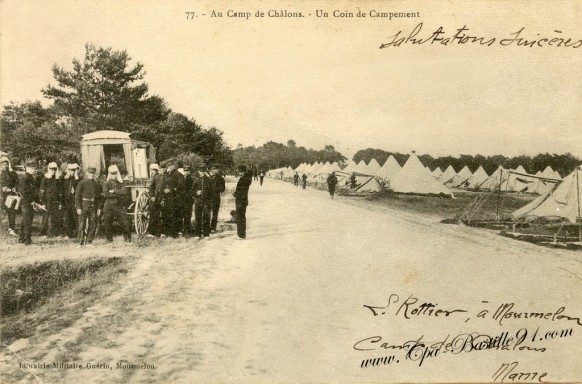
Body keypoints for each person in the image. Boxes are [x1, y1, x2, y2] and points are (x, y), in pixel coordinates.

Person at [102, 165, 132, 243]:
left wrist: (114, 191)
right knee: (108, 222)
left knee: (124, 221)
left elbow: (124, 192)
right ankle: (109, 240)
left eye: (115, 173)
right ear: (109, 174)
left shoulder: (120, 183)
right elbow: (106, 194)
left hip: (118, 204)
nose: (114, 175)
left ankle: (127, 239)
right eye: (112, 173)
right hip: (108, 205)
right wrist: (118, 194)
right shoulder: (106, 183)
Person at [75, 166, 102, 246]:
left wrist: (99, 208)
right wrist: (78, 207)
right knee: (82, 223)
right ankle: (80, 241)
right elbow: (77, 196)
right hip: (84, 205)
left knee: (93, 223)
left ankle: (89, 241)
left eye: (93, 173)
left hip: (93, 205)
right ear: (87, 173)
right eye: (90, 173)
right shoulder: (82, 183)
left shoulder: (97, 184)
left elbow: (99, 197)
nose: (92, 175)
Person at [157, 160, 183, 237]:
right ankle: (165, 232)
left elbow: (181, 186)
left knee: (173, 214)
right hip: (165, 197)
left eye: (171, 165)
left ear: (174, 166)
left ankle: (173, 233)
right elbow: (161, 184)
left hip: (174, 197)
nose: (169, 167)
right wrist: (162, 191)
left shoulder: (178, 174)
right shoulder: (165, 175)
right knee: (165, 214)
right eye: (168, 166)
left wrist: (171, 190)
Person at [39, 162, 63, 238]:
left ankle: (55, 233)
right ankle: (43, 234)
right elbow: (42, 191)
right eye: (52, 169)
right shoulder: (45, 179)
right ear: (49, 169)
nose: (53, 171)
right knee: (45, 218)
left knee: (55, 217)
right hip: (47, 201)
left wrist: (60, 202)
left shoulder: (57, 179)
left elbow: (59, 191)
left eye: (55, 169)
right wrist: (43, 202)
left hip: (55, 201)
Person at [19, 161, 38, 245]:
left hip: (28, 202)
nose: (32, 170)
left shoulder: (30, 177)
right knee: (28, 221)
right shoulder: (25, 178)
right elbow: (24, 192)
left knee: (24, 221)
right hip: (27, 202)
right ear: (26, 168)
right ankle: (27, 241)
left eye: (33, 168)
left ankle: (21, 238)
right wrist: (31, 201)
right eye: (31, 168)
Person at [0, 157, 19, 236]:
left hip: (10, 196)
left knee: (11, 212)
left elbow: (17, 183)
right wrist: (2, 189)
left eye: (6, 164)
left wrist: (14, 188)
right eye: (3, 164)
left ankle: (11, 228)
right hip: (1, 195)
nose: (5, 166)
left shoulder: (13, 173)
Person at [192, 168, 212, 240]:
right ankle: (197, 234)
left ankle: (206, 234)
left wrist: (209, 199)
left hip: (207, 201)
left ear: (205, 172)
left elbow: (212, 191)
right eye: (201, 171)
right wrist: (196, 192)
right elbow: (192, 191)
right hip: (198, 201)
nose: (202, 173)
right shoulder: (196, 180)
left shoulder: (209, 180)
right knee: (198, 217)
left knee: (206, 217)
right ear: (199, 172)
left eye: (204, 171)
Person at [61, 163, 80, 239]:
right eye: (70, 170)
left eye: (73, 170)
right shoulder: (65, 179)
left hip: (75, 201)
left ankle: (78, 233)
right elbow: (62, 188)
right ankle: (69, 234)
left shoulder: (78, 179)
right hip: (67, 201)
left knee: (76, 217)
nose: (72, 172)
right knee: (68, 217)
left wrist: (76, 177)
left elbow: (77, 187)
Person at [233, 167, 252, 239]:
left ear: (244, 172)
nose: (240, 173)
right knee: (241, 216)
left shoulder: (244, 179)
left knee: (240, 217)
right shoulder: (245, 179)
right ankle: (242, 234)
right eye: (240, 172)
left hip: (241, 200)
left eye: (242, 172)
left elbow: (242, 192)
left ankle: (241, 235)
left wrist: (235, 194)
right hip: (242, 200)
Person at [147, 163, 162, 238]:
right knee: (153, 215)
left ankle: (154, 232)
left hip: (156, 198)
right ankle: (154, 232)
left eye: (153, 170)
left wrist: (153, 196)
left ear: (156, 171)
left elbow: (156, 188)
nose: (152, 172)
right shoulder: (153, 177)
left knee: (155, 215)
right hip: (153, 198)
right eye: (151, 170)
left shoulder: (158, 177)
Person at [209, 168, 225, 233]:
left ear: (218, 171)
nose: (214, 171)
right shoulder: (209, 178)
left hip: (216, 197)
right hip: (208, 197)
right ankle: (207, 227)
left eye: (215, 170)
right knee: (207, 212)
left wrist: (216, 189)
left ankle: (213, 227)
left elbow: (223, 189)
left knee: (215, 213)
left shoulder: (221, 179)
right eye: (213, 170)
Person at [181, 164, 194, 236]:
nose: (186, 172)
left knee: (187, 214)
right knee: (182, 214)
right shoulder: (182, 178)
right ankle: (183, 229)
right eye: (185, 171)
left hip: (188, 199)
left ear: (190, 172)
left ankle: (187, 230)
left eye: (187, 171)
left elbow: (192, 189)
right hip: (182, 199)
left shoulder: (191, 179)